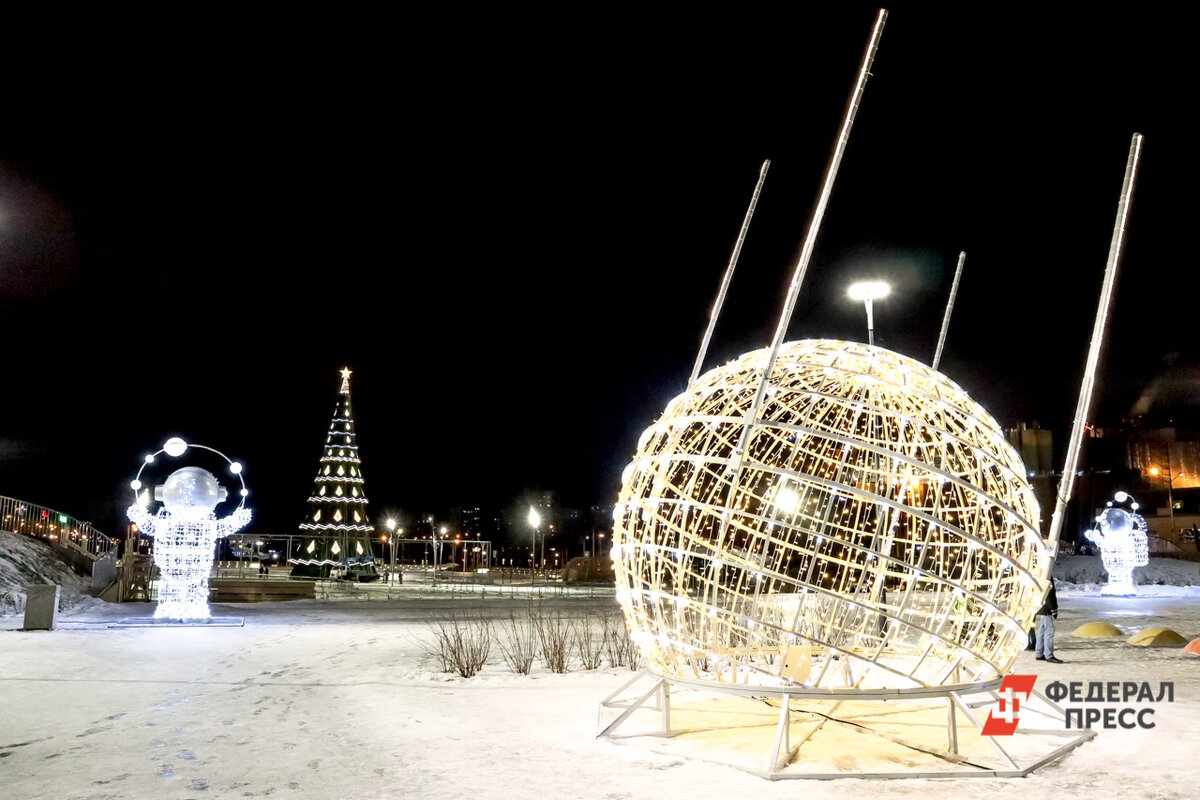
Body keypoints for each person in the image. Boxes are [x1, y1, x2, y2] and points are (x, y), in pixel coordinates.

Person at [1035, 579, 1062, 663]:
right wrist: (1053, 609)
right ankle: (1049, 655)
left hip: (1041, 606)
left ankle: (1039, 653)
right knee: (1049, 631)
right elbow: (1049, 594)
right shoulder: (1047, 575)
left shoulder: (1039, 573)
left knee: (1042, 630)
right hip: (1046, 607)